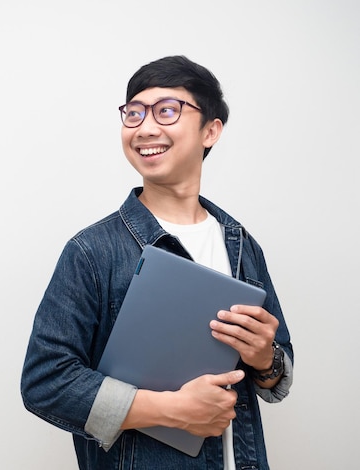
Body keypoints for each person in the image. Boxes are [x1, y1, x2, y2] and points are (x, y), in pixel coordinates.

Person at [20, 55, 293, 470]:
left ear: (211, 131)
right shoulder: (92, 251)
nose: (145, 128)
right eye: (133, 113)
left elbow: (276, 377)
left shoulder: (242, 245)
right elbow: (45, 381)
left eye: (167, 110)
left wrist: (265, 358)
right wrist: (170, 411)